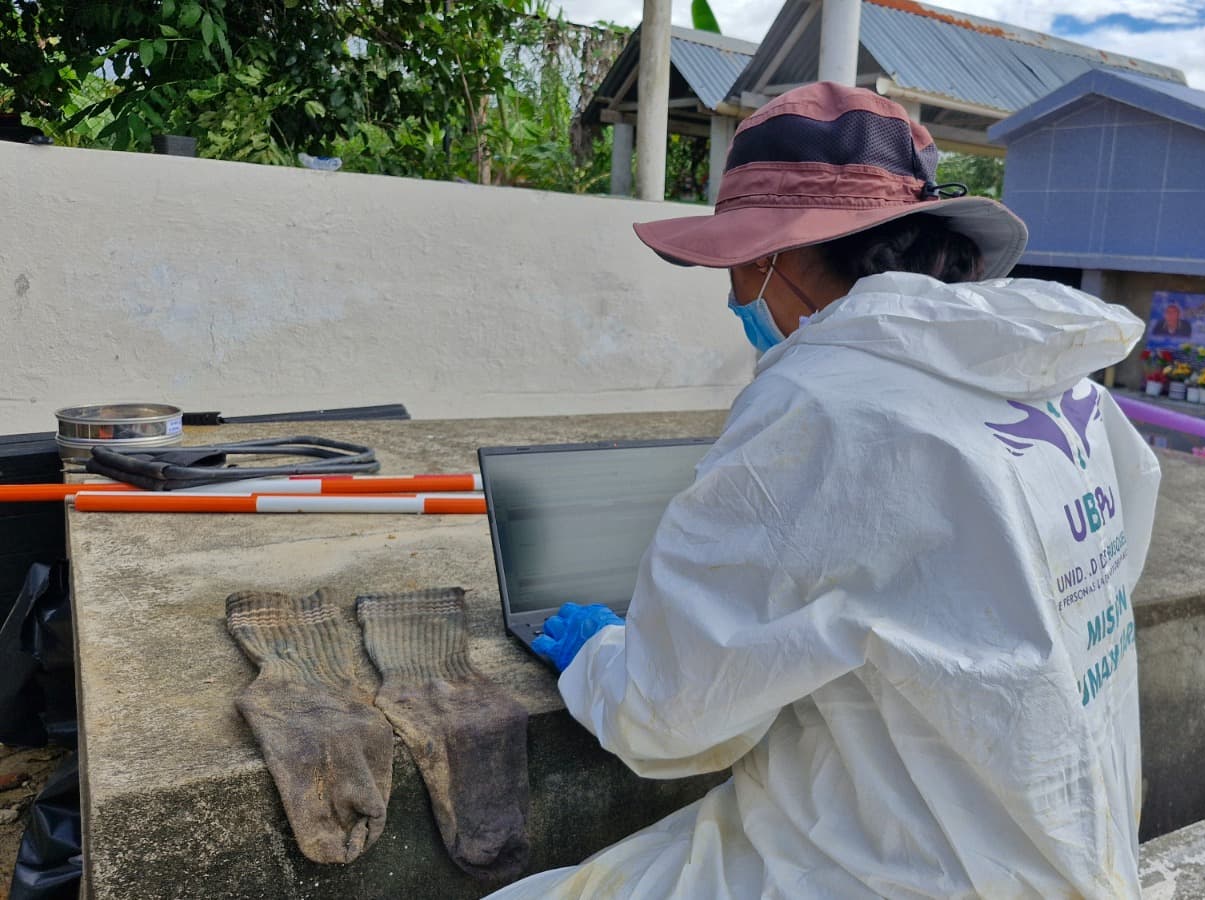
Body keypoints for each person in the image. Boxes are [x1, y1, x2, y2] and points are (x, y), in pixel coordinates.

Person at [490, 82, 1161, 899]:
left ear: (772, 256)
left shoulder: (819, 403)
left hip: (901, 871)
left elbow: (669, 722)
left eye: (737, 267)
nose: (737, 296)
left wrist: (599, 656)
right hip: (1066, 858)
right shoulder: (1071, 389)